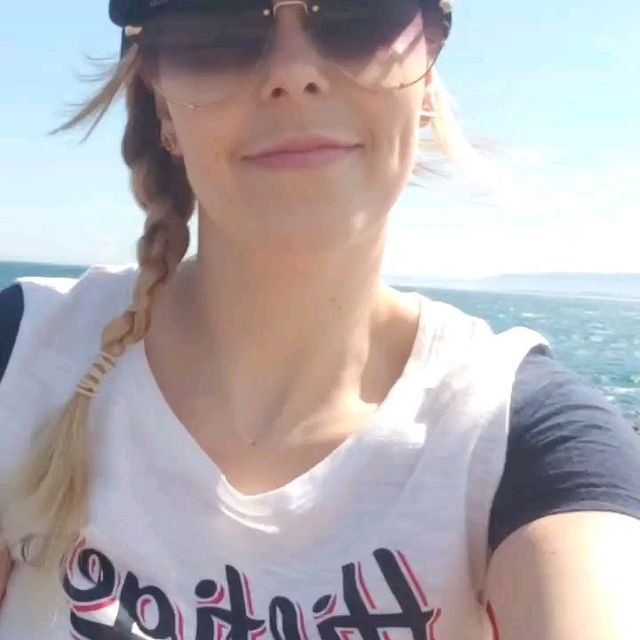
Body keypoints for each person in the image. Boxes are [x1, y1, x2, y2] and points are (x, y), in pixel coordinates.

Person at [1, 1, 640, 638]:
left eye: (360, 14)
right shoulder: (24, 353)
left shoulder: (526, 440)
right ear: (163, 105)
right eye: (217, 24)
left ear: (426, 79)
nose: (294, 71)